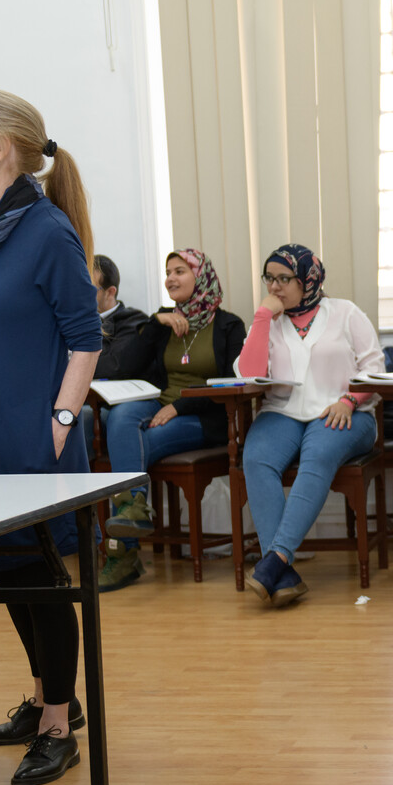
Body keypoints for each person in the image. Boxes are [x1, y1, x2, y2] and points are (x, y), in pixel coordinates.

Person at [0, 87, 101, 785]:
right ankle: (43, 700)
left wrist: (60, 422)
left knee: (39, 582)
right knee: (6, 572)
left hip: (31, 441)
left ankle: (60, 725)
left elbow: (85, 338)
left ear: (0, 149)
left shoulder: (45, 230)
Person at [236, 243, 386, 605]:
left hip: (346, 412)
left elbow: (375, 368)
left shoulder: (345, 313)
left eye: (284, 279)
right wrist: (260, 319)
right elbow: (249, 375)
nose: (274, 287)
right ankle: (282, 573)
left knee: (317, 454)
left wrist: (350, 400)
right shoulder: (269, 323)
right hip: (283, 412)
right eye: (269, 279)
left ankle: (275, 558)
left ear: (308, 280)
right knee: (256, 459)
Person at [97, 248, 248, 591]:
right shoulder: (164, 322)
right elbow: (131, 367)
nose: (171, 278)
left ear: (201, 276)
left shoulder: (228, 325)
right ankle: (133, 510)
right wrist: (155, 323)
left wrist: (180, 407)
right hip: (157, 404)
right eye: (168, 272)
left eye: (180, 270)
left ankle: (124, 552)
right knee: (120, 416)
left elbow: (233, 382)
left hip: (205, 417)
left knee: (140, 443)